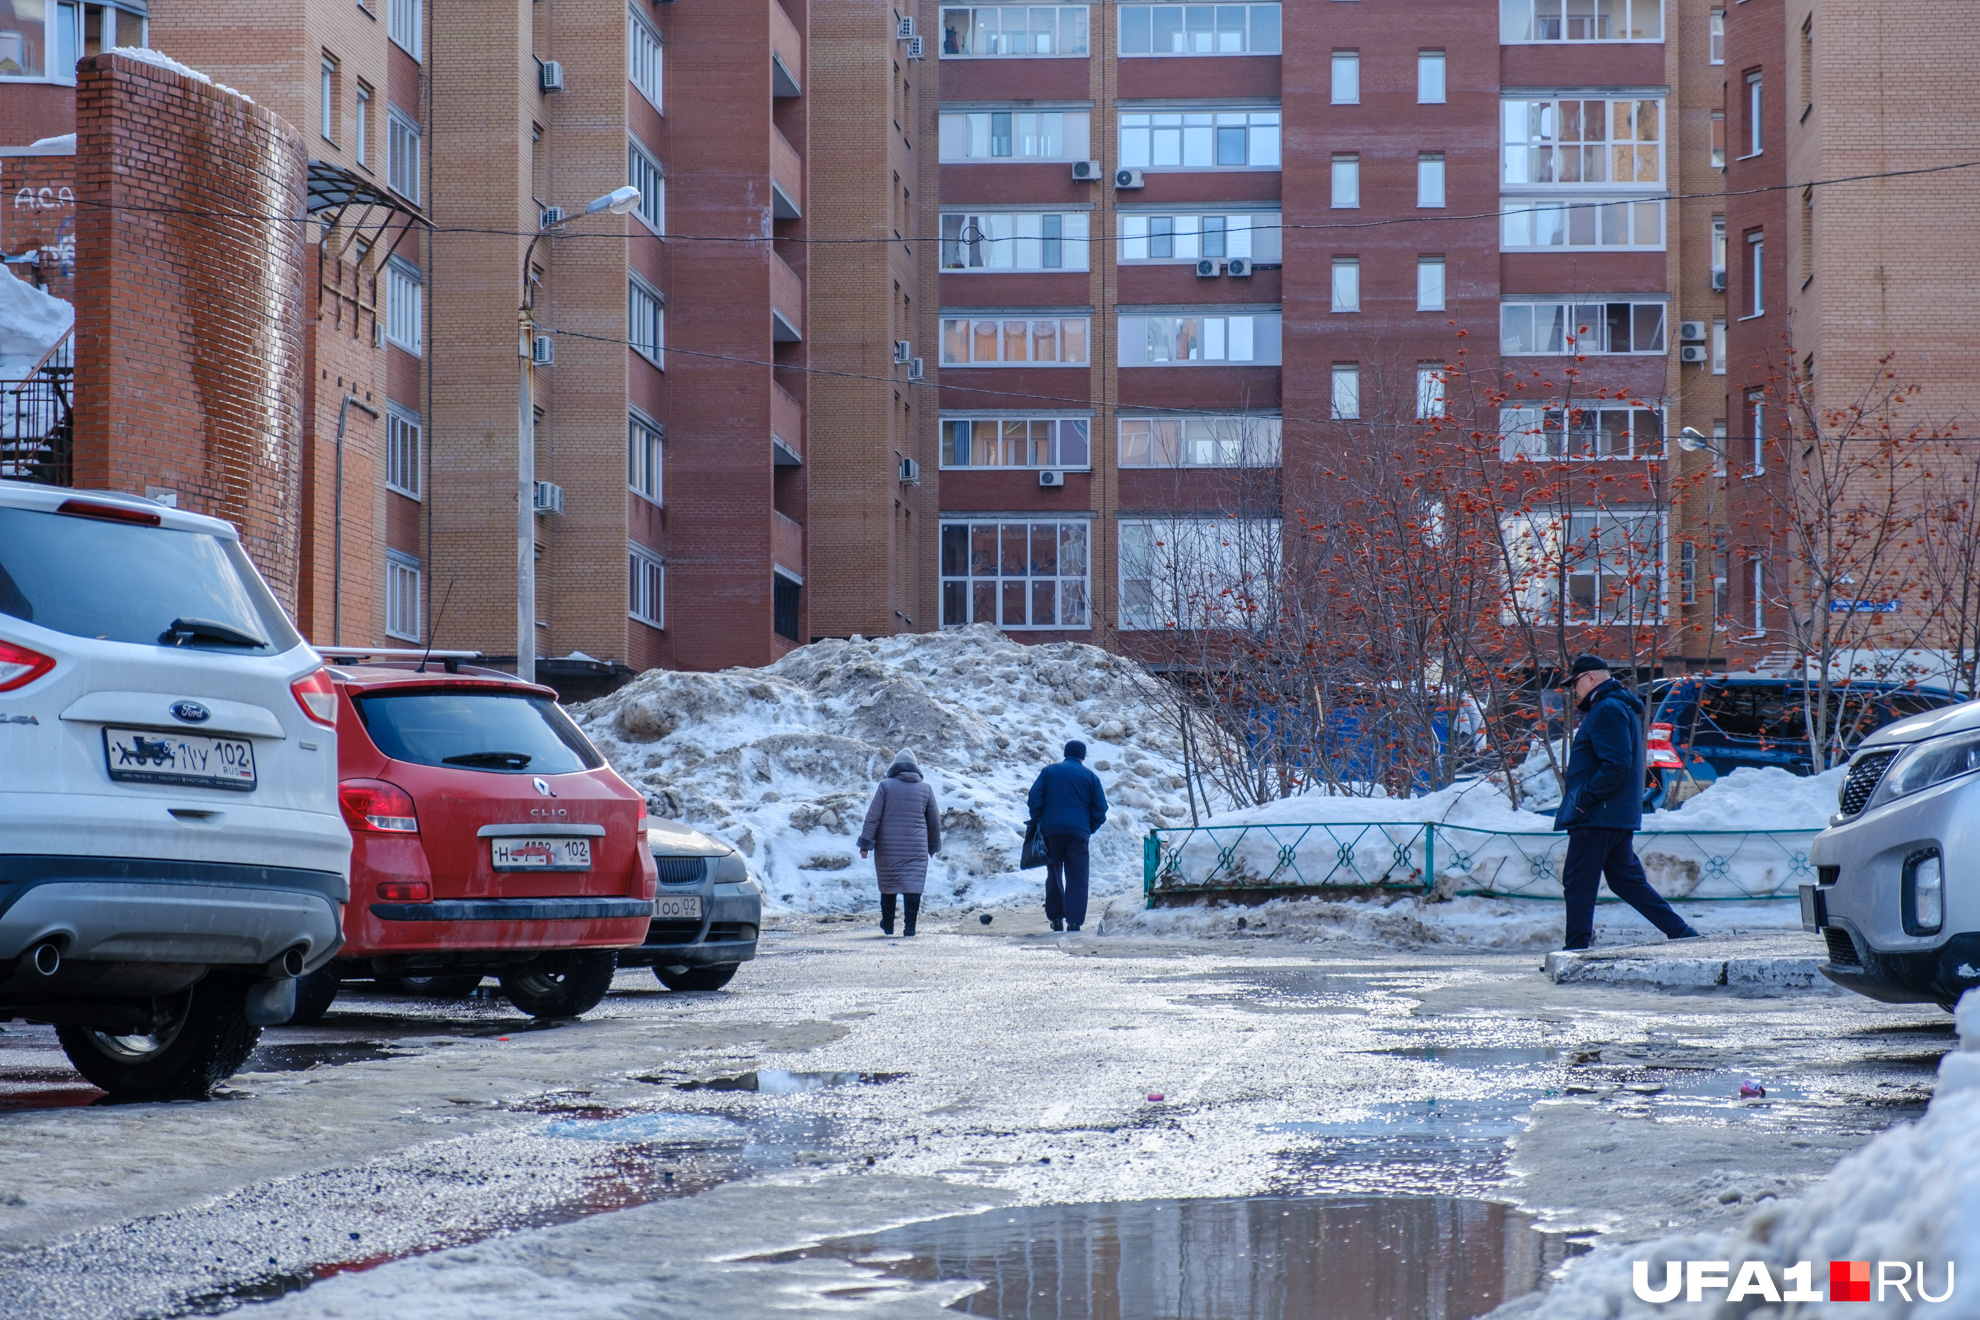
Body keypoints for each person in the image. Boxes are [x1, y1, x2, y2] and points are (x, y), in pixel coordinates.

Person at [1553, 655, 1701, 951]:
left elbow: (1617, 765)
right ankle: (1682, 933)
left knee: (1578, 881)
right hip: (1614, 813)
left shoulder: (1606, 709)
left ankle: (1576, 950)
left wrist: (1584, 799)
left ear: (1592, 678)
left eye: (1576, 683)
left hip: (1597, 814)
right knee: (1626, 881)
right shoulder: (1617, 707)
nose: (1574, 691)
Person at [1026, 740, 1108, 932]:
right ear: (1083, 756)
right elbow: (1101, 809)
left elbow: (1034, 799)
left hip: (1051, 832)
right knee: (1077, 877)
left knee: (1053, 874)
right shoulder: (1090, 777)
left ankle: (1055, 918)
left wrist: (1040, 820)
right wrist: (1088, 828)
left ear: (1065, 753)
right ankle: (1074, 921)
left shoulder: (1049, 771)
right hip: (1078, 834)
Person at [859, 749, 941, 937]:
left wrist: (866, 844)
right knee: (913, 885)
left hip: (888, 846)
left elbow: (873, 817)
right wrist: (933, 845)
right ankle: (910, 927)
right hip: (916, 847)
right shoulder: (925, 788)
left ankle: (887, 924)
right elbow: (934, 820)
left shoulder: (885, 786)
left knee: (889, 883)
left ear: (894, 767)